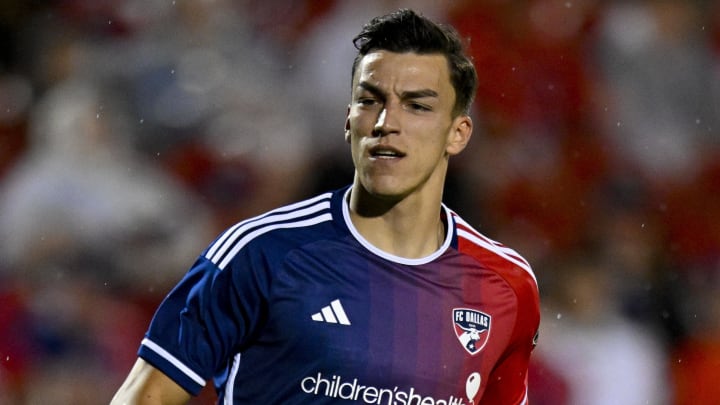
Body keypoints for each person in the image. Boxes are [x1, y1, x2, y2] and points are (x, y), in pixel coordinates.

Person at [111, 9, 540, 405]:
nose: (386, 123)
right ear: (348, 118)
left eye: (417, 106)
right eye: (370, 100)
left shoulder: (506, 286)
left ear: (458, 133)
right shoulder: (262, 253)